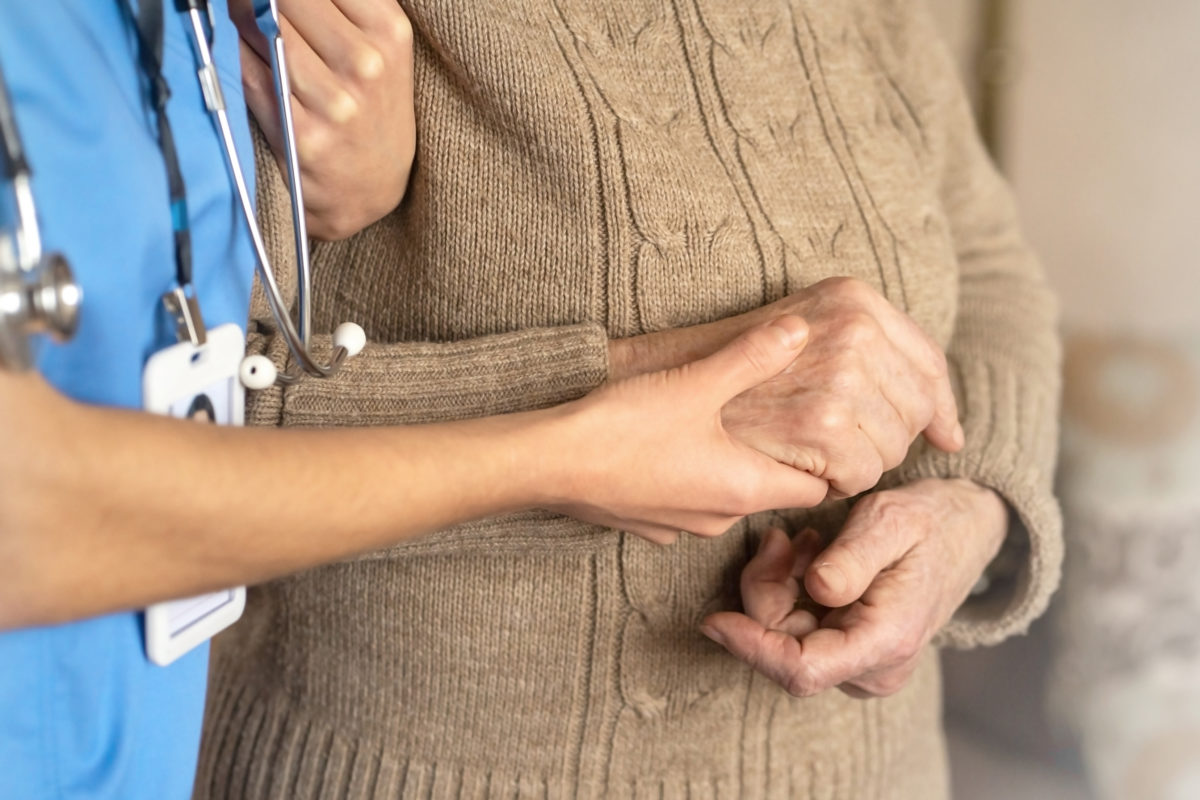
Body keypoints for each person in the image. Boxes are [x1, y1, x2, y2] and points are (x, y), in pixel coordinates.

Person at [0, 2, 932, 798]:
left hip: (867, 763)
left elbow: (975, 241)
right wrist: (575, 429)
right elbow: (196, 403)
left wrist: (968, 505)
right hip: (386, 752)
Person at [194, 1, 1063, 799]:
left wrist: (970, 506)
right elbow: (188, 425)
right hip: (402, 766)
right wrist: (613, 407)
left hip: (873, 772)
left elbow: (987, 261)